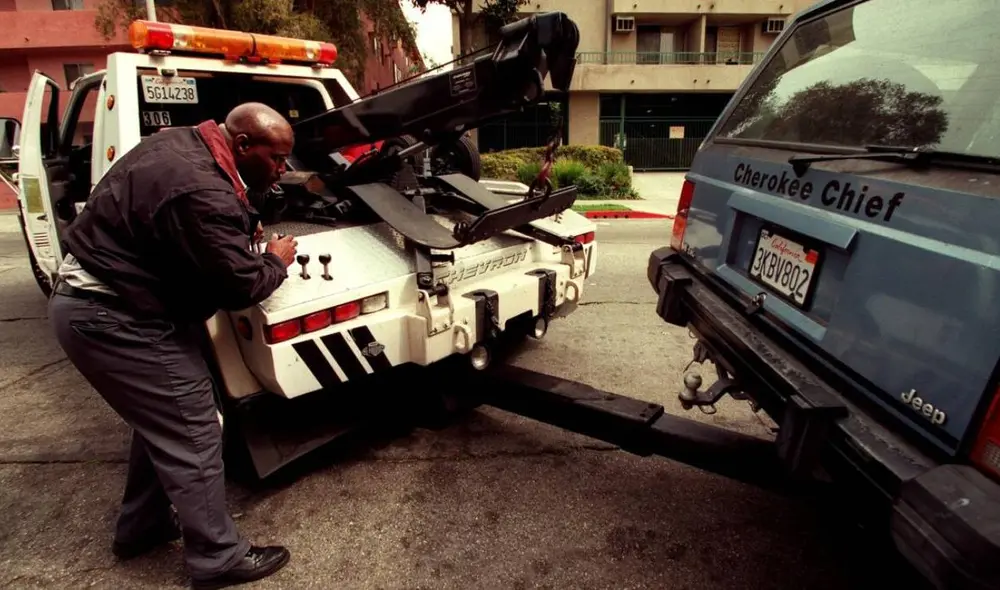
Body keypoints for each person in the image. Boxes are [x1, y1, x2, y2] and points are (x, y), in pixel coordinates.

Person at [48, 103, 299, 589]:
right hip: (115, 316)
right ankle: (218, 558)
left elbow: (184, 227)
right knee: (195, 428)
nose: (283, 170)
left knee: (162, 420)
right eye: (277, 159)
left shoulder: (186, 142)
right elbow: (240, 286)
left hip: (107, 303)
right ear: (243, 145)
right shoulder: (201, 189)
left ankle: (141, 527)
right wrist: (275, 259)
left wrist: (239, 228)